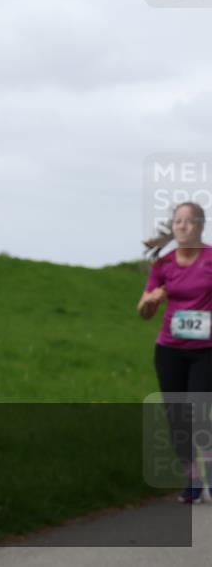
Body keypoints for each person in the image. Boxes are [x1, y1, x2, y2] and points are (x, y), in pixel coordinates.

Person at [138, 202, 212, 504]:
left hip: (207, 350)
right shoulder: (163, 265)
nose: (182, 226)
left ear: (200, 226)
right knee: (177, 417)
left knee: (198, 413)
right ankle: (192, 480)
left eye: (189, 221)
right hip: (169, 349)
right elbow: (143, 312)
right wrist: (152, 300)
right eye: (178, 221)